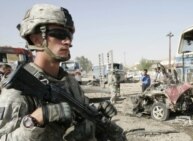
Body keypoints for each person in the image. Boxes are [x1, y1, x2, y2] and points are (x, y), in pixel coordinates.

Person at [0, 4, 122, 141]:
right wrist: (34, 121)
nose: (67, 41)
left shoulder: (70, 83)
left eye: (70, 35)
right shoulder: (18, 90)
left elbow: (79, 117)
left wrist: (95, 111)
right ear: (36, 39)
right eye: (59, 35)